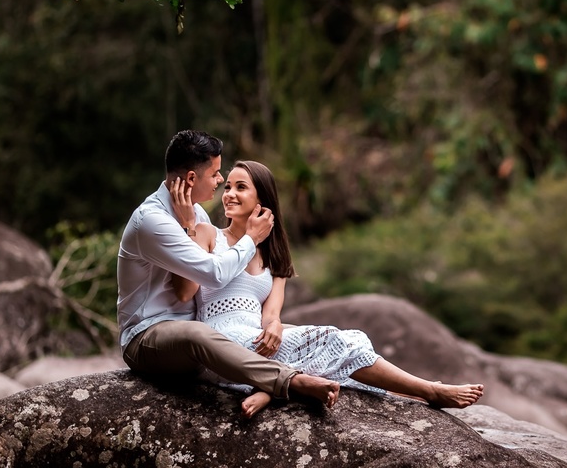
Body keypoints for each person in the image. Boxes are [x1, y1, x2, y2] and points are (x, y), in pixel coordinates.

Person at [170, 158, 485, 418]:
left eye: (241, 187)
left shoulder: (273, 255)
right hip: (220, 340)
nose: (229, 194)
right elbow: (185, 291)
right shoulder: (208, 234)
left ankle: (271, 388)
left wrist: (275, 325)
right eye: (227, 187)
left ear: (261, 199)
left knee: (348, 340)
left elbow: (271, 313)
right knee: (333, 347)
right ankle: (429, 390)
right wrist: (186, 228)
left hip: (258, 338)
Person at [116, 130, 340, 408]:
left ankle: (271, 385)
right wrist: (251, 238)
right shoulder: (152, 221)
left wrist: (275, 324)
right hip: (148, 338)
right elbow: (213, 274)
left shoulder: (197, 214)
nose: (221, 181)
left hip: (203, 336)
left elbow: (194, 289)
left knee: (291, 334)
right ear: (191, 179)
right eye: (216, 174)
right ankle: (290, 382)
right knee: (199, 335)